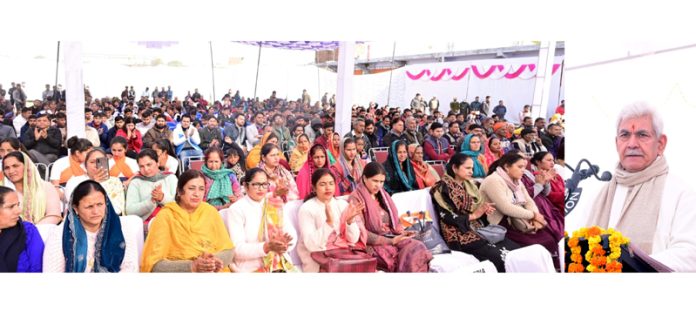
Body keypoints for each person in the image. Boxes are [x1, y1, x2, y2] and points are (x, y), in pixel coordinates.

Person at [586, 102, 696, 271]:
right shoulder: (598, 194)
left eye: (642, 135)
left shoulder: (681, 193)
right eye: (625, 135)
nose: (632, 144)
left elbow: (689, 254)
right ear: (617, 143)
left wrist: (628, 267)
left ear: (660, 144)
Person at [430, 153, 520, 271]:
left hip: (476, 227)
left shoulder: (470, 185)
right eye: (467, 168)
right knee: (499, 257)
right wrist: (475, 215)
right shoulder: (442, 188)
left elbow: (476, 208)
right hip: (459, 233)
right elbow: (446, 217)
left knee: (514, 249)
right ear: (454, 168)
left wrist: (483, 210)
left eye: (472, 168)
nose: (471, 171)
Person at [141, 170, 234, 272]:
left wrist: (214, 261)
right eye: (191, 188)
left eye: (201, 189)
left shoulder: (210, 212)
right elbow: (154, 266)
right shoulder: (166, 216)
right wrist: (192, 266)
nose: (197, 194)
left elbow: (228, 250)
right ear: (179, 191)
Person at [479, 152, 560, 268]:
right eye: (519, 167)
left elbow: (528, 201)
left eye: (524, 167)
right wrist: (533, 215)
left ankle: (549, 268)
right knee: (536, 244)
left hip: (520, 219)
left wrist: (535, 217)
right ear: (507, 166)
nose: (523, 170)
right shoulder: (493, 180)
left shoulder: (516, 180)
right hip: (503, 223)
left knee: (549, 237)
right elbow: (505, 208)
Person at [348, 162, 432, 272]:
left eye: (381, 182)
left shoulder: (383, 196)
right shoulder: (356, 199)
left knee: (417, 246)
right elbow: (362, 232)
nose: (378, 185)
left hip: (392, 236)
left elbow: (394, 223)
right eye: (375, 181)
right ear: (364, 178)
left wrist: (402, 233)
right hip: (373, 243)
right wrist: (391, 241)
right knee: (395, 256)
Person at [43, 180, 138, 272]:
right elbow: (53, 274)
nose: (96, 211)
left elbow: (130, 268)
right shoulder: (60, 235)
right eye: (89, 206)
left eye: (100, 204)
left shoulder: (123, 230)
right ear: (75, 209)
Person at [225, 168, 297, 272]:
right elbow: (237, 249)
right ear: (245, 186)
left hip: (279, 263)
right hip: (251, 267)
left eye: (264, 184)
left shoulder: (273, 203)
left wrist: (284, 244)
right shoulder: (237, 209)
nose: (261, 189)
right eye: (256, 185)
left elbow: (291, 234)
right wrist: (266, 247)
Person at [297, 168, 367, 272]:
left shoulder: (342, 204)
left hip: (343, 254)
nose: (328, 187)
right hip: (319, 257)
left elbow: (353, 240)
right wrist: (328, 223)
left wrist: (349, 221)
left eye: (331, 183)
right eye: (322, 184)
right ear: (314, 188)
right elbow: (311, 245)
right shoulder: (307, 208)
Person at [1, 151, 61, 224]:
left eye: (15, 166)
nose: (11, 171)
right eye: (7, 168)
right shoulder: (3, 192)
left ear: (27, 166)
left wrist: (33, 231)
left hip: (43, 230)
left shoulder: (46, 187)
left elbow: (54, 215)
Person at [64, 149, 126, 215]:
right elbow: (74, 204)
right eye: (92, 162)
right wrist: (93, 183)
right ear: (85, 165)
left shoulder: (115, 181)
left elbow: (118, 209)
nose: (96, 165)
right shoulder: (74, 181)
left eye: (100, 162)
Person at [125, 149, 177, 226]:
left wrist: (162, 198)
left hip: (172, 221)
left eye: (149, 165)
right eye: (141, 166)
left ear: (157, 163)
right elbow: (130, 210)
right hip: (146, 224)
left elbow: (181, 205)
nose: (146, 169)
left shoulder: (170, 178)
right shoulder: (136, 182)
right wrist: (150, 202)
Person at [0, 186, 44, 272]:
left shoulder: (28, 231)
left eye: (18, 205)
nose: (19, 211)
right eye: (11, 207)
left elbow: (37, 269)